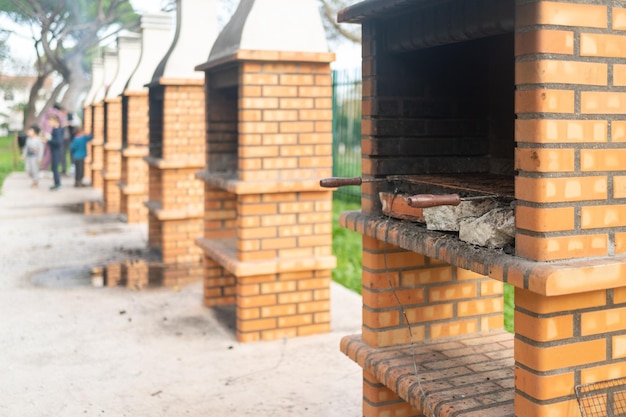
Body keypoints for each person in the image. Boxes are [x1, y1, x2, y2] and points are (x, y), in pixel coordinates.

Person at [46, 114, 64, 190]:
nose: (48, 123)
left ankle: (58, 184)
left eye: (50, 121)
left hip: (57, 151)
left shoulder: (58, 130)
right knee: (53, 167)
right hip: (54, 151)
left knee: (55, 168)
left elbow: (58, 142)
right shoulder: (55, 129)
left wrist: (50, 138)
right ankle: (56, 183)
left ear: (55, 121)